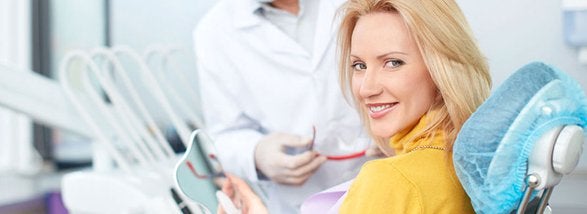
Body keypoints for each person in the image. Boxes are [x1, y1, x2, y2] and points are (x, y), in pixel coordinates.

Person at [217, 0, 492, 213]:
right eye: (358, 65)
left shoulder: (390, 181)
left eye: (393, 62)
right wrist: (256, 155)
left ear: (441, 65)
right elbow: (225, 131)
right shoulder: (468, 156)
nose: (365, 88)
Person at [194, 0, 381, 213]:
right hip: (307, 198)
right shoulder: (214, 32)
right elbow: (225, 134)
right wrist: (257, 153)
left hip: (394, 169)